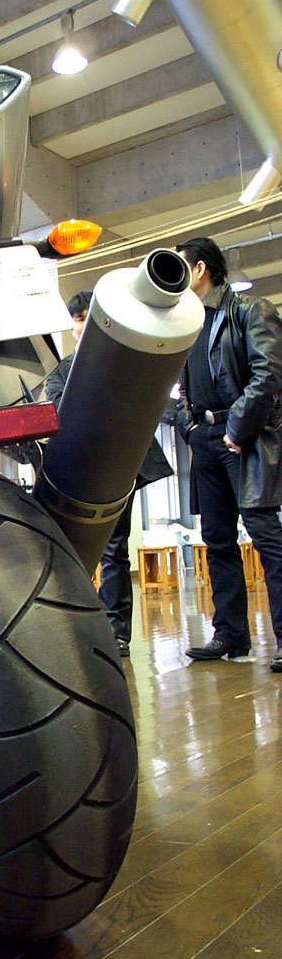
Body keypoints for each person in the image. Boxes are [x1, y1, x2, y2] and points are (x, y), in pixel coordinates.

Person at [45, 291, 173, 656]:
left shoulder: (124, 362)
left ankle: (117, 632)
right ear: (72, 327)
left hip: (119, 468)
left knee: (115, 549)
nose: (84, 327)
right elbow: (59, 411)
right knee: (71, 552)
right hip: (78, 473)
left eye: (90, 319)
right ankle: (75, 629)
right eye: (79, 321)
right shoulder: (62, 370)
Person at [176, 237, 282, 670]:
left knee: (266, 537)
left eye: (181, 267)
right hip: (204, 438)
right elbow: (181, 385)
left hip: (243, 437)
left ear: (201, 269)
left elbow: (268, 373)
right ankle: (231, 635)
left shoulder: (249, 310)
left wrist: (238, 428)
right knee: (217, 540)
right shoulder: (186, 322)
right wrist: (189, 426)